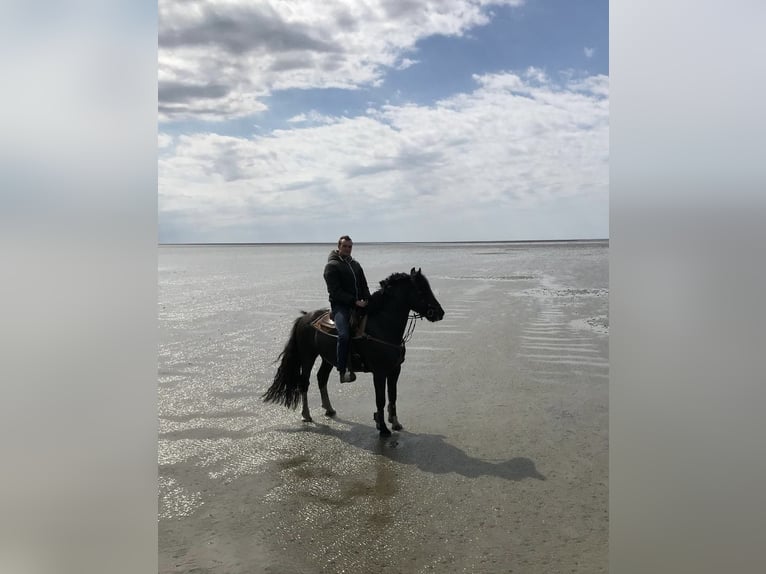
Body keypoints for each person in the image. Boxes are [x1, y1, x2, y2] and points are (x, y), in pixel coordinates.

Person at [323, 235, 370, 383]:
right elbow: (335, 292)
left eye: (350, 247)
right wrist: (355, 302)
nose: (348, 249)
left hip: (358, 304)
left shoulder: (355, 264)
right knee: (343, 335)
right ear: (339, 247)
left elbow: (364, 285)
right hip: (340, 307)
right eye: (345, 246)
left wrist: (368, 299)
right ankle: (342, 371)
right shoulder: (332, 266)